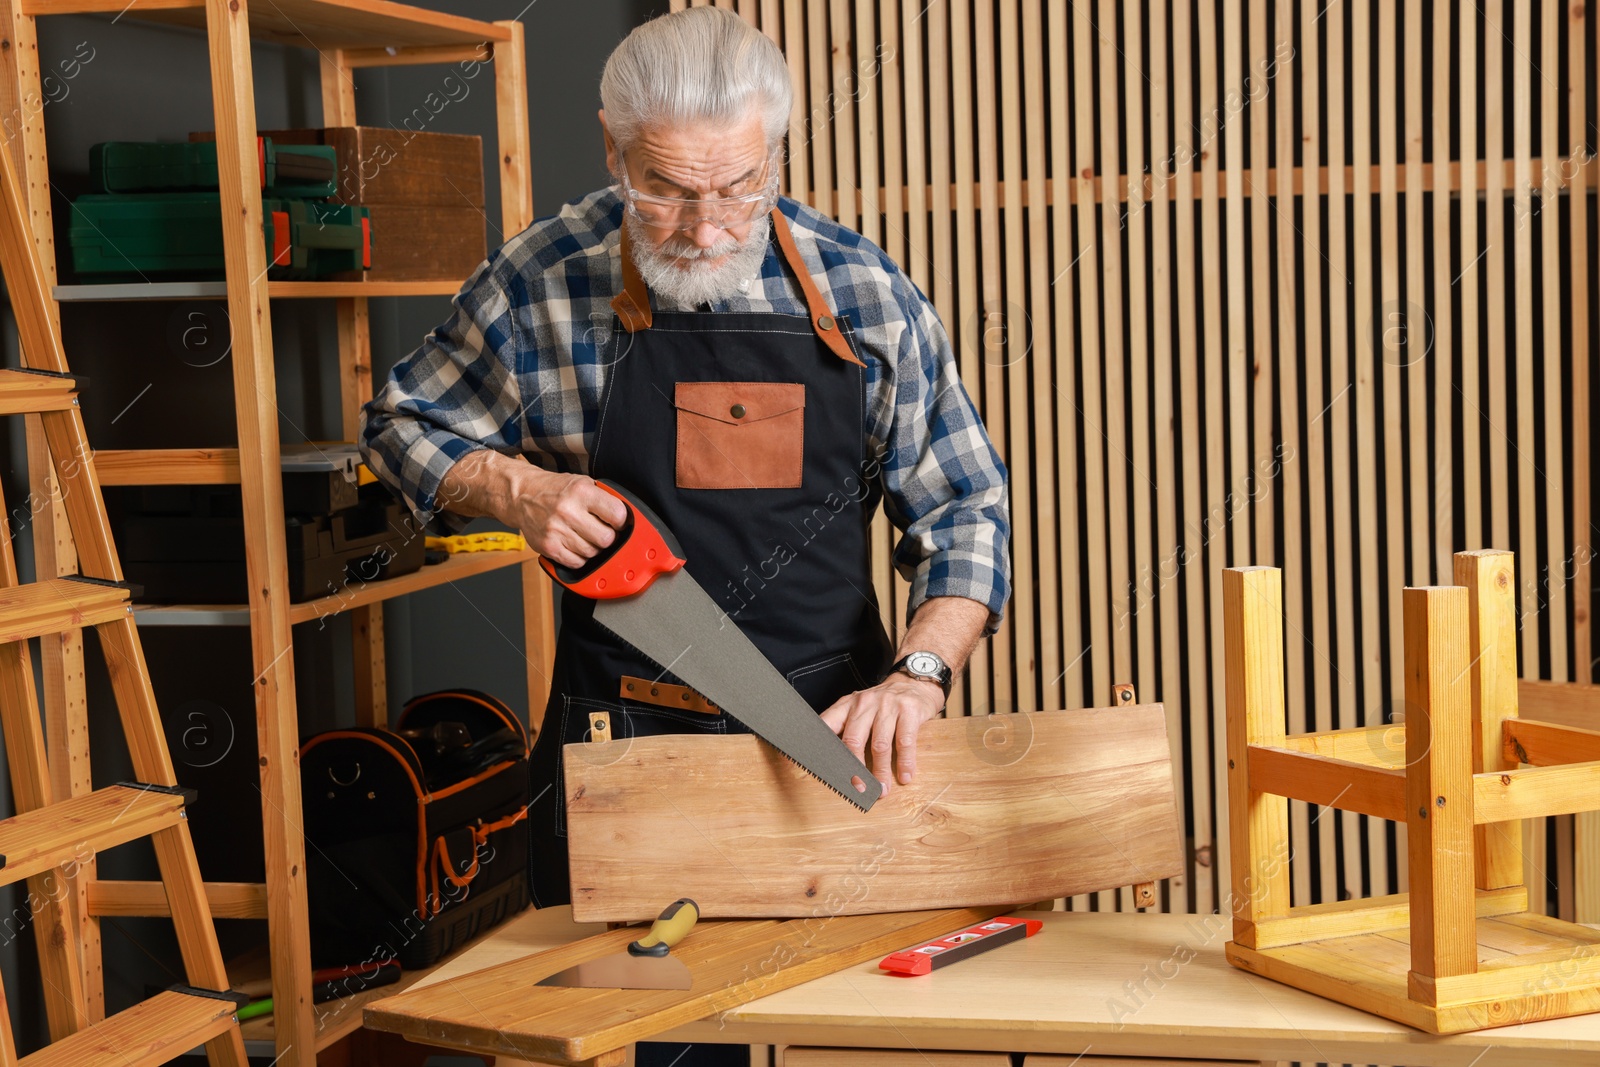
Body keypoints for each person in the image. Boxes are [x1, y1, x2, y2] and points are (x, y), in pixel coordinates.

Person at [361, 13, 1009, 1059]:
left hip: (830, 741)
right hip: (621, 744)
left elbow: (965, 509)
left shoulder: (863, 295)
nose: (707, 228)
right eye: (663, 188)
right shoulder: (540, 280)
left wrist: (921, 673)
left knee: (858, 1033)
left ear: (778, 151)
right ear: (611, 148)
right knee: (645, 1045)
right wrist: (515, 486)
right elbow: (401, 422)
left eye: (738, 186)